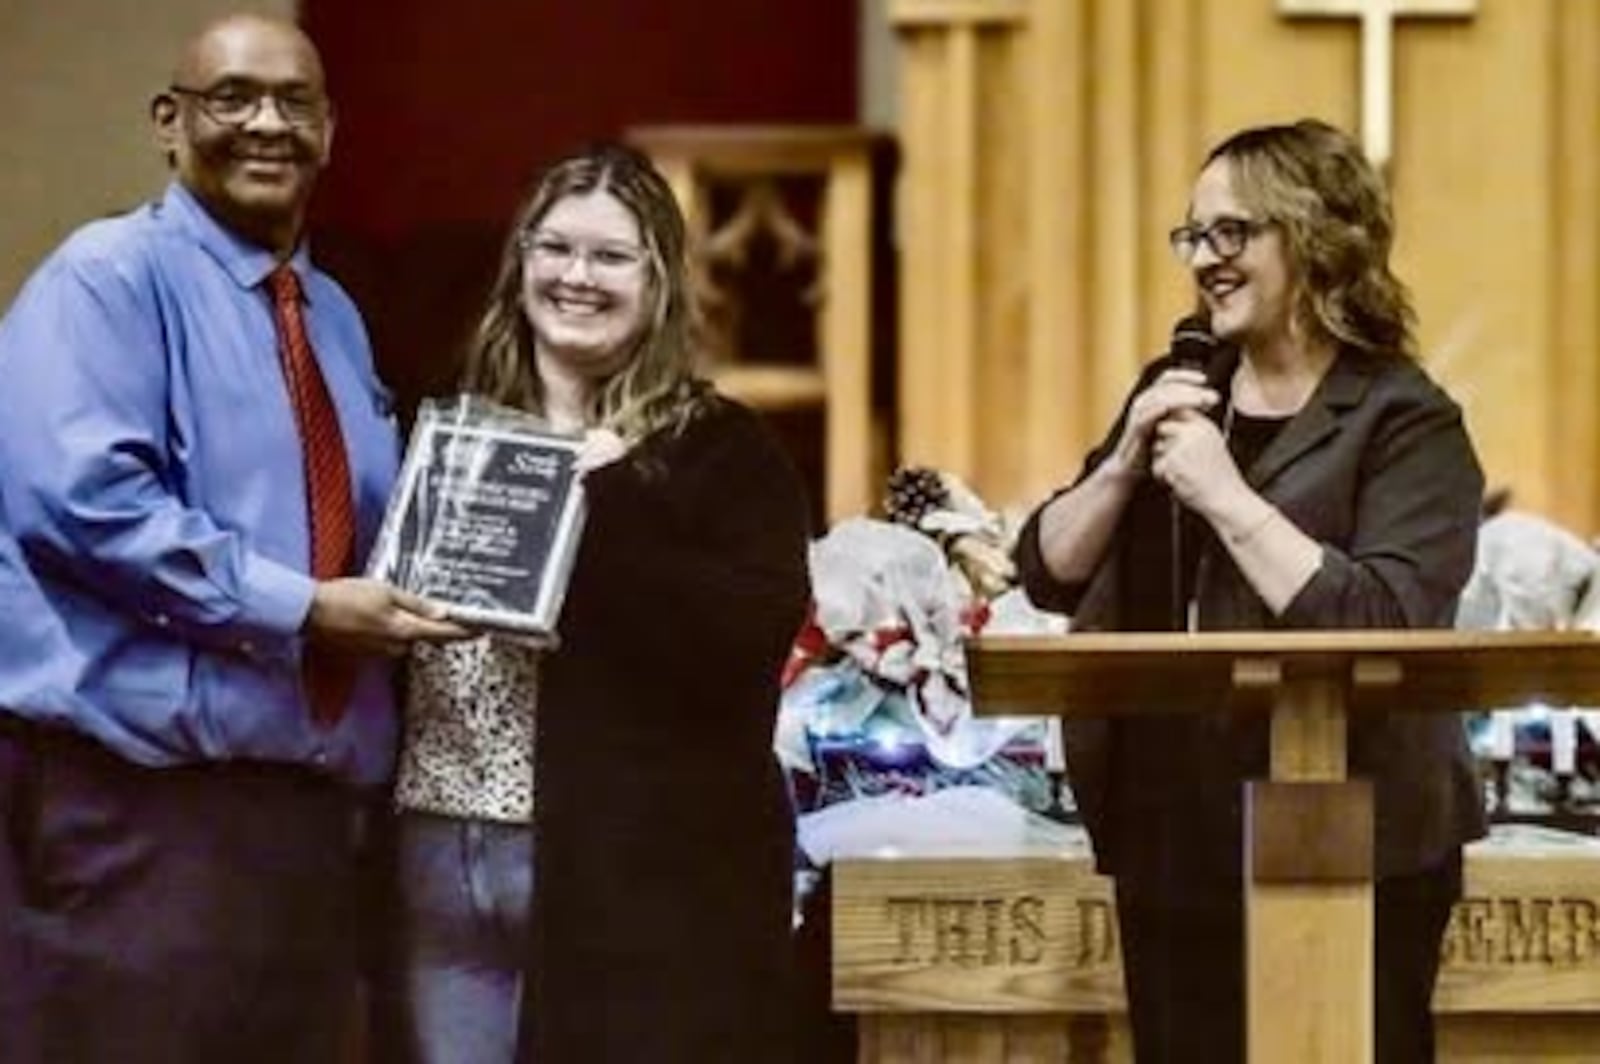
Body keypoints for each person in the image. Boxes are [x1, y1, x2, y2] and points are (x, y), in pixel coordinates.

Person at [0, 14, 468, 1063]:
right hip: (140, 819)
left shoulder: (333, 317)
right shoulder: (106, 279)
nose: (267, 123)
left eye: (294, 101)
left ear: (330, 131)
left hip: (304, 830)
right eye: (233, 98)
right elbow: (85, 504)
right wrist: (305, 607)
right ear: (169, 124)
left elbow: (371, 530)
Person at [1014, 118, 1484, 1064]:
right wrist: (1118, 471)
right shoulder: (1184, 388)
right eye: (1193, 236)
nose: (1205, 261)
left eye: (1231, 233)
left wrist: (1225, 496)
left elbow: (1382, 619)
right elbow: (1047, 570)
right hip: (1174, 836)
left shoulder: (1407, 421)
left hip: (1354, 848)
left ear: (1313, 238)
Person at [380, 142, 811, 1064]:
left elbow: (745, 643)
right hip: (441, 840)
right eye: (556, 247)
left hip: (624, 879)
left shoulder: (718, 449)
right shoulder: (444, 423)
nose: (577, 276)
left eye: (611, 256)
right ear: (520, 261)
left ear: (659, 283)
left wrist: (615, 505)